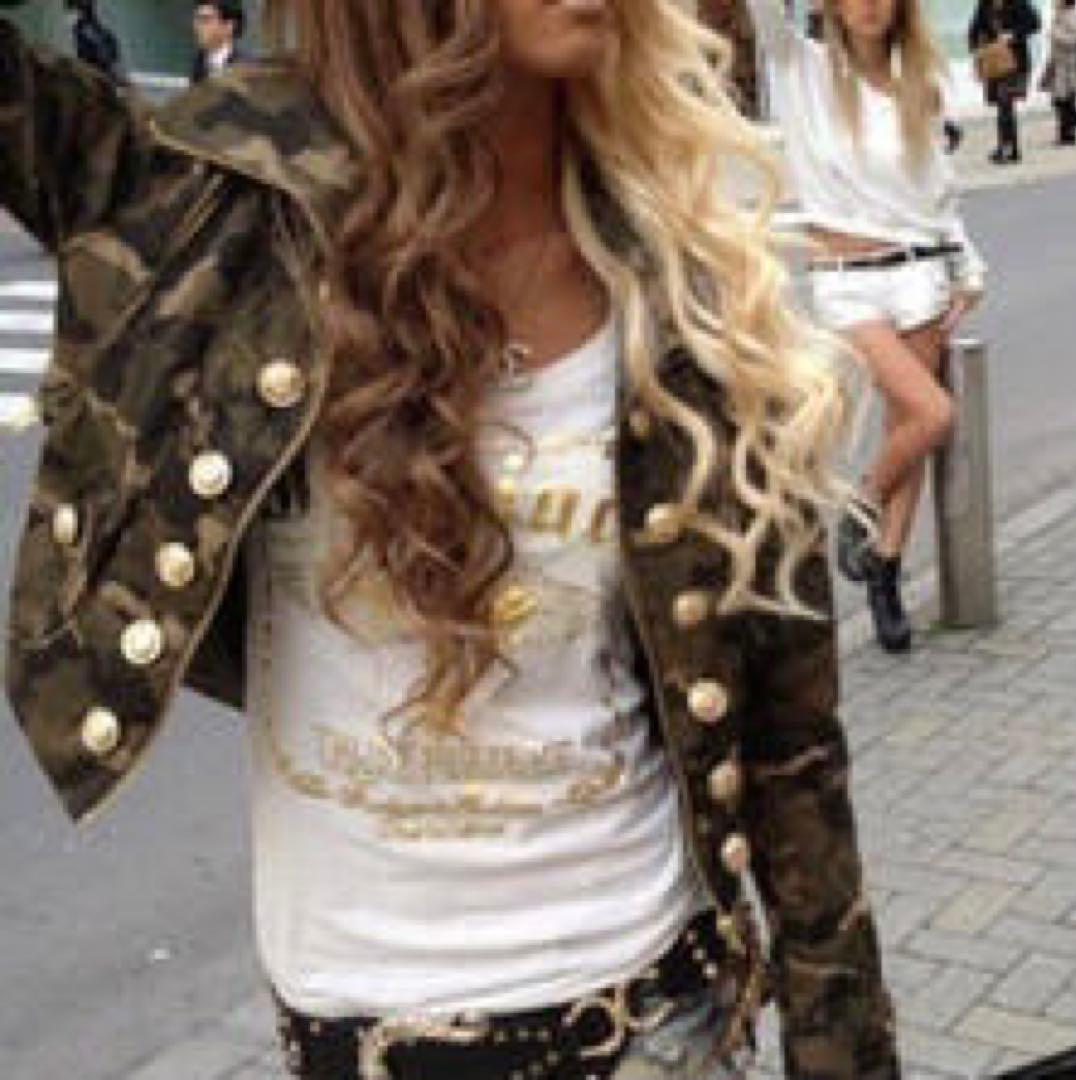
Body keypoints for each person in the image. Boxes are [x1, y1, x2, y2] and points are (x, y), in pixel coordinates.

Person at [0, 1, 899, 1077]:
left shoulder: (685, 285)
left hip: (652, 1022)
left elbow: (795, 751)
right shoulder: (215, 211)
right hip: (345, 1033)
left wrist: (846, 1054)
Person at [748, 0, 987, 653]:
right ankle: (862, 504)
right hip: (848, 283)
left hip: (923, 274)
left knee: (906, 426)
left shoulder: (918, 83)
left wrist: (968, 269)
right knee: (933, 414)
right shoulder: (801, 67)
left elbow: (939, 194)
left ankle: (885, 569)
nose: (870, 3)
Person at [970, 0, 1042, 164]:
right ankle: (1010, 148)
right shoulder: (984, 4)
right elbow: (975, 28)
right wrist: (976, 50)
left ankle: (1007, 148)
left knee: (1005, 101)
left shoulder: (1018, 2)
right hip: (994, 61)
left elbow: (1035, 23)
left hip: (1015, 61)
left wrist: (1013, 35)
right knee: (1002, 104)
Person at [64, 0, 124, 84]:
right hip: (101, 64)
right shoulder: (85, 28)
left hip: (100, 65)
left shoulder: (86, 29)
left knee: (89, 34)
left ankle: (107, 71)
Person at [1045, 0, 1076, 145]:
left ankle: (1067, 134)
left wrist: (1056, 35)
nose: (1054, 2)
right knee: (1059, 101)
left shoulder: (1071, 16)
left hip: (1068, 66)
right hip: (1058, 64)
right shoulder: (1058, 16)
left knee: (1065, 100)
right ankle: (1065, 134)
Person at [191, 0, 247, 84]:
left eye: (205, 20)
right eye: (197, 20)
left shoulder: (246, 66)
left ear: (229, 26)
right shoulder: (196, 63)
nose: (196, 27)